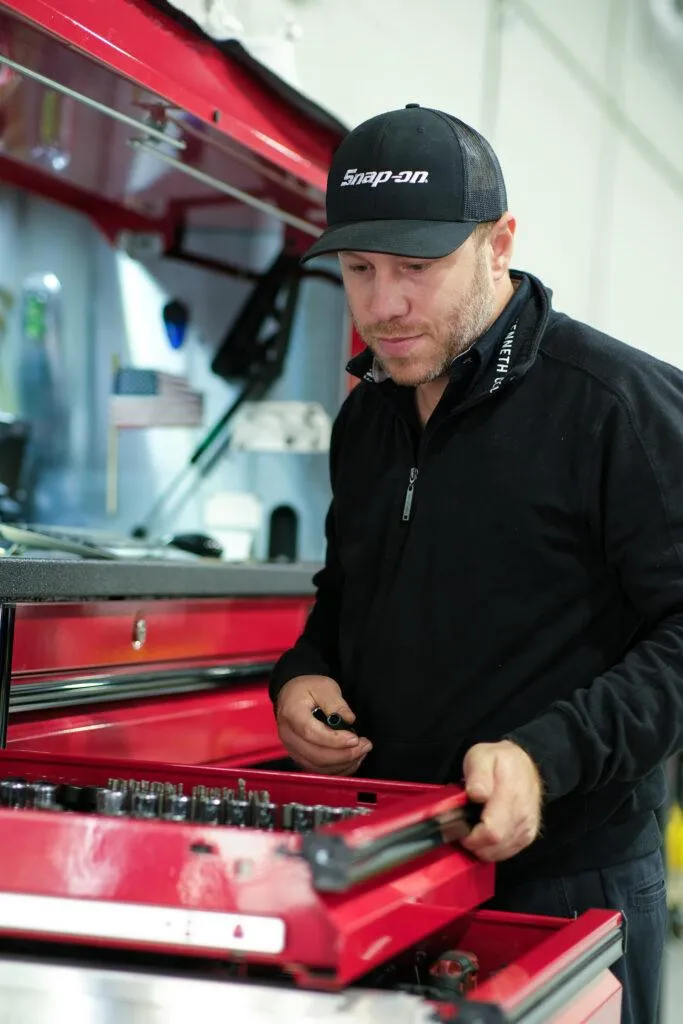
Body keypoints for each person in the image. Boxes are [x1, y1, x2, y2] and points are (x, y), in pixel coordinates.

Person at [269, 103, 675, 1024]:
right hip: (390, 870)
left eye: (416, 268)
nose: (383, 304)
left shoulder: (619, 408)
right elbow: (345, 598)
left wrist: (546, 758)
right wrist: (302, 673)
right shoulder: (367, 416)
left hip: (569, 885)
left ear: (499, 244)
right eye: (359, 270)